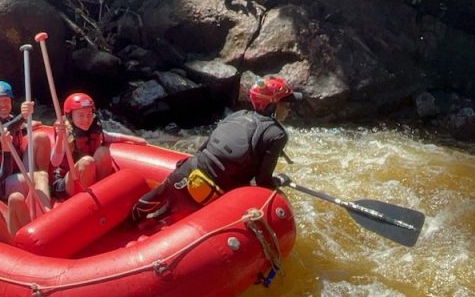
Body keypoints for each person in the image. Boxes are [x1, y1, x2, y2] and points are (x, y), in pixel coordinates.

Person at [131, 76, 301, 223]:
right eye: (286, 103)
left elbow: (205, 146)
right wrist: (278, 182)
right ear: (272, 106)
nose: (289, 108)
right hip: (210, 193)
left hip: (185, 173)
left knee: (142, 212)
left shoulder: (238, 115)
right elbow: (263, 180)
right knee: (168, 218)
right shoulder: (277, 134)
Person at [0, 80, 52, 206]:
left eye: (6, 100)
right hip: (2, 180)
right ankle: (46, 212)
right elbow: (2, 132)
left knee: (40, 137)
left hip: (17, 169)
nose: (3, 104)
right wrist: (23, 116)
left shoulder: (10, 119)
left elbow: (15, 127)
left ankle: (43, 188)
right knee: (40, 176)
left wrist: (27, 124)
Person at [51, 92, 145, 196]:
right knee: (87, 162)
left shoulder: (93, 129)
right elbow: (55, 162)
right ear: (70, 117)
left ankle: (100, 194)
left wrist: (133, 139)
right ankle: (85, 200)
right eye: (81, 115)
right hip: (66, 183)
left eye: (89, 115)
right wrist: (60, 138)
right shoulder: (65, 133)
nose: (86, 120)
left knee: (103, 152)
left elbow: (110, 136)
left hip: (88, 178)